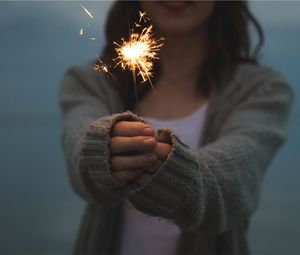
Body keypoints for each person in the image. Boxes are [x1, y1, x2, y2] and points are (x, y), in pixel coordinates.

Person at [59, 1, 294, 255]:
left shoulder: (261, 90)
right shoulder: (92, 82)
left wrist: (176, 173)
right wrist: (100, 151)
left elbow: (235, 180)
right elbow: (80, 148)